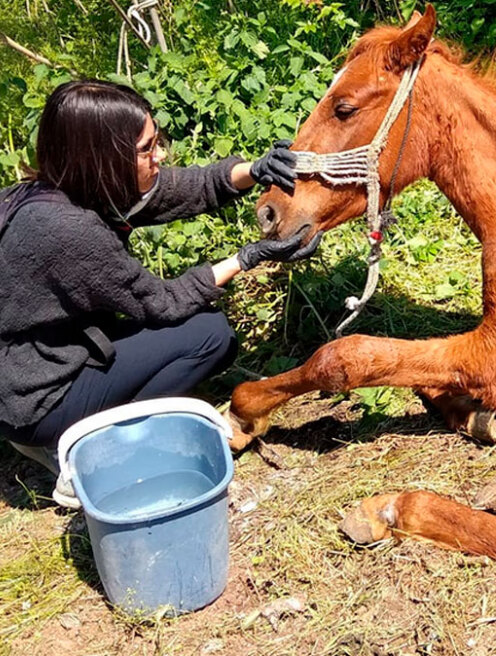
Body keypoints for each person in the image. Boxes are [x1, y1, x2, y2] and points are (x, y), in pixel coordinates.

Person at [0, 80, 314, 499]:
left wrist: (253, 171)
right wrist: (247, 258)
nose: (160, 154)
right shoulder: (70, 230)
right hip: (37, 395)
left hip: (24, 369)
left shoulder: (49, 191)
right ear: (104, 158)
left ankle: (58, 430)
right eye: (147, 148)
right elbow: (161, 304)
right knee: (209, 336)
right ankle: (92, 452)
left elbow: (180, 189)